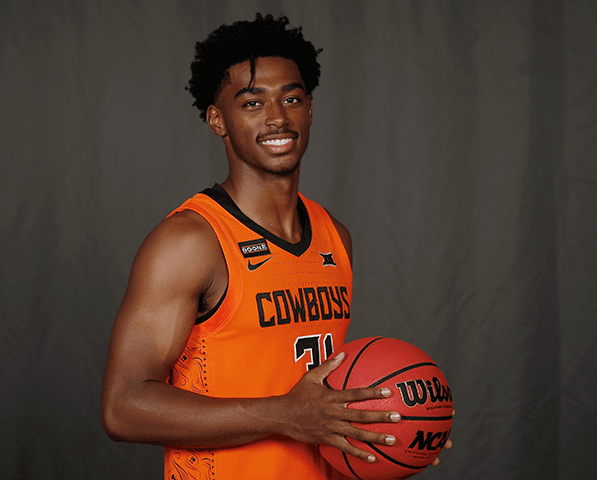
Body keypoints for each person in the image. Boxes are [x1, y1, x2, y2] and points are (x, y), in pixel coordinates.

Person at [101, 13, 451, 480]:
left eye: (292, 98)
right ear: (217, 120)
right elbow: (123, 407)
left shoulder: (334, 235)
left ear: (310, 108)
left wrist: (395, 435)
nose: (277, 117)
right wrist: (285, 414)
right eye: (251, 102)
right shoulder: (190, 242)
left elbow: (321, 404)